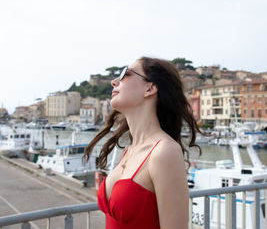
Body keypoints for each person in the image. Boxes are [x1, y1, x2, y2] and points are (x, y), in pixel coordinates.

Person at [83, 57, 201, 229]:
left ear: (150, 88)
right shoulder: (129, 151)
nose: (114, 81)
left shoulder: (164, 151)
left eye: (125, 74)